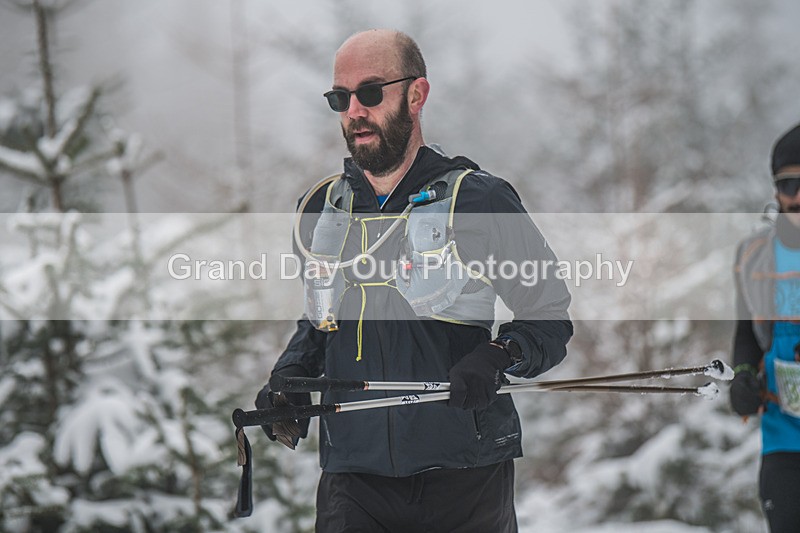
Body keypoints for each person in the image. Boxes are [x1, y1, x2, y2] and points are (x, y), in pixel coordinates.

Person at [256, 29, 572, 532]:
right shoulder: (319, 210)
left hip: (464, 476)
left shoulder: (480, 201)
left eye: (371, 92)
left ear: (416, 94)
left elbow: (549, 315)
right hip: (353, 481)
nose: (354, 110)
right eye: (341, 97)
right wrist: (289, 378)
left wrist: (498, 355)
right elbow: (321, 320)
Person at [730, 122, 800, 533]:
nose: (799, 196)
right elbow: (746, 333)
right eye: (789, 183)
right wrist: (742, 377)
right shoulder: (754, 253)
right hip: (784, 431)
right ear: (775, 189)